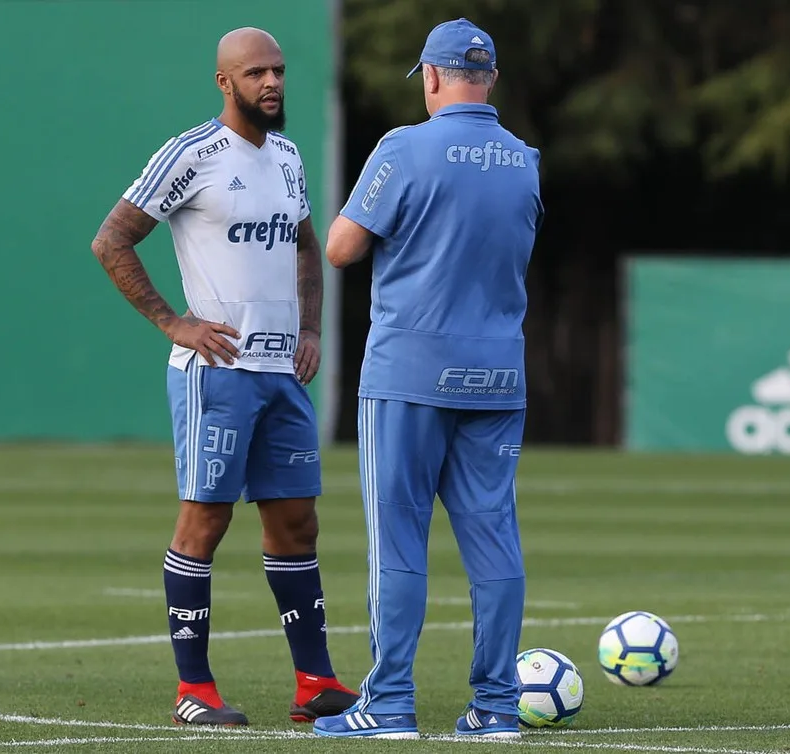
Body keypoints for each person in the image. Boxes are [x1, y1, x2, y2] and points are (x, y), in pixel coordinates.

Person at [89, 26, 358, 728]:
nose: (272, 83)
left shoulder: (291, 157)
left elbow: (305, 246)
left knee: (297, 521)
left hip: (281, 374)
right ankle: (194, 690)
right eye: (255, 73)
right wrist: (172, 322)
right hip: (218, 374)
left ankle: (315, 683)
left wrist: (310, 329)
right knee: (205, 520)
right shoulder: (191, 154)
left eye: (278, 70)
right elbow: (111, 239)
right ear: (224, 82)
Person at [311, 18, 544, 740]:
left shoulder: (404, 147)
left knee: (400, 539)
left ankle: (389, 705)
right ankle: (497, 707)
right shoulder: (525, 159)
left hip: (410, 369)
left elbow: (341, 247)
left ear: (433, 77)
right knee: (495, 539)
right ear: (492, 81)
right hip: (498, 372)